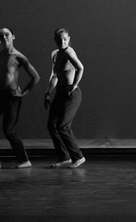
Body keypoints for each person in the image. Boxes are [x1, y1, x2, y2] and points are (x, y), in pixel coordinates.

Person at [0, 28, 40, 169]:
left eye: (7, 34)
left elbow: (36, 77)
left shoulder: (19, 57)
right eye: (1, 35)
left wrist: (22, 93)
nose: (4, 37)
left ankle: (24, 160)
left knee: (9, 130)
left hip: (12, 97)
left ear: (13, 36)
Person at [44, 28, 86, 169]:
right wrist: (47, 93)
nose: (62, 42)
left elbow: (80, 68)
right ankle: (64, 157)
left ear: (69, 39)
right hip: (60, 93)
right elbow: (54, 75)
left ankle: (78, 157)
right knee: (52, 125)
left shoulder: (69, 52)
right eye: (59, 39)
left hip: (71, 94)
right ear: (54, 39)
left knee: (63, 126)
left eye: (65, 39)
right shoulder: (55, 54)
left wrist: (74, 85)